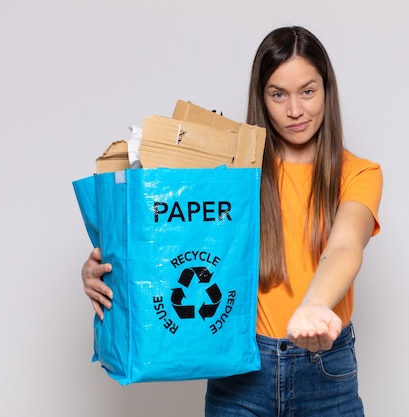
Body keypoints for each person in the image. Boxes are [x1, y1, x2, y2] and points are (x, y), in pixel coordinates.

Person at [82, 26, 382, 416]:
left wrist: (314, 305)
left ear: (327, 90)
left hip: (325, 373)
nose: (295, 110)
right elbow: (172, 242)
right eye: (278, 94)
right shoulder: (232, 175)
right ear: (261, 97)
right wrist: (108, 272)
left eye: (308, 91)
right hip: (241, 373)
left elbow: (345, 244)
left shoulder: (358, 173)